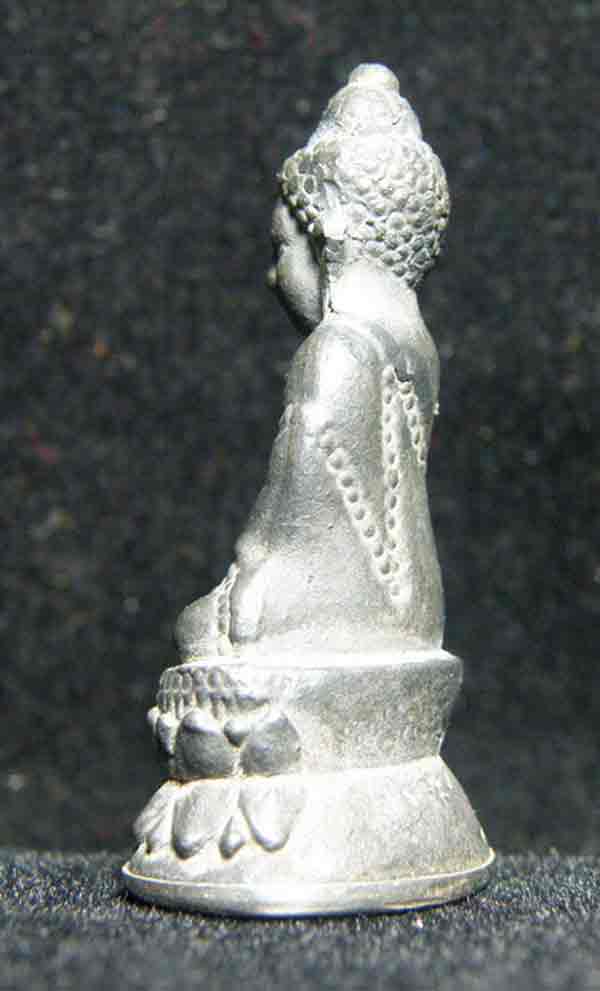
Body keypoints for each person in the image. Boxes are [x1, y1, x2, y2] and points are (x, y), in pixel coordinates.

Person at [175, 64, 450, 659]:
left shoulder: (336, 348)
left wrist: (246, 589)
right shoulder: (418, 349)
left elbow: (283, 528)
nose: (274, 276)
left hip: (327, 612)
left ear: (328, 233)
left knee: (201, 629)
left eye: (282, 247)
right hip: (419, 613)